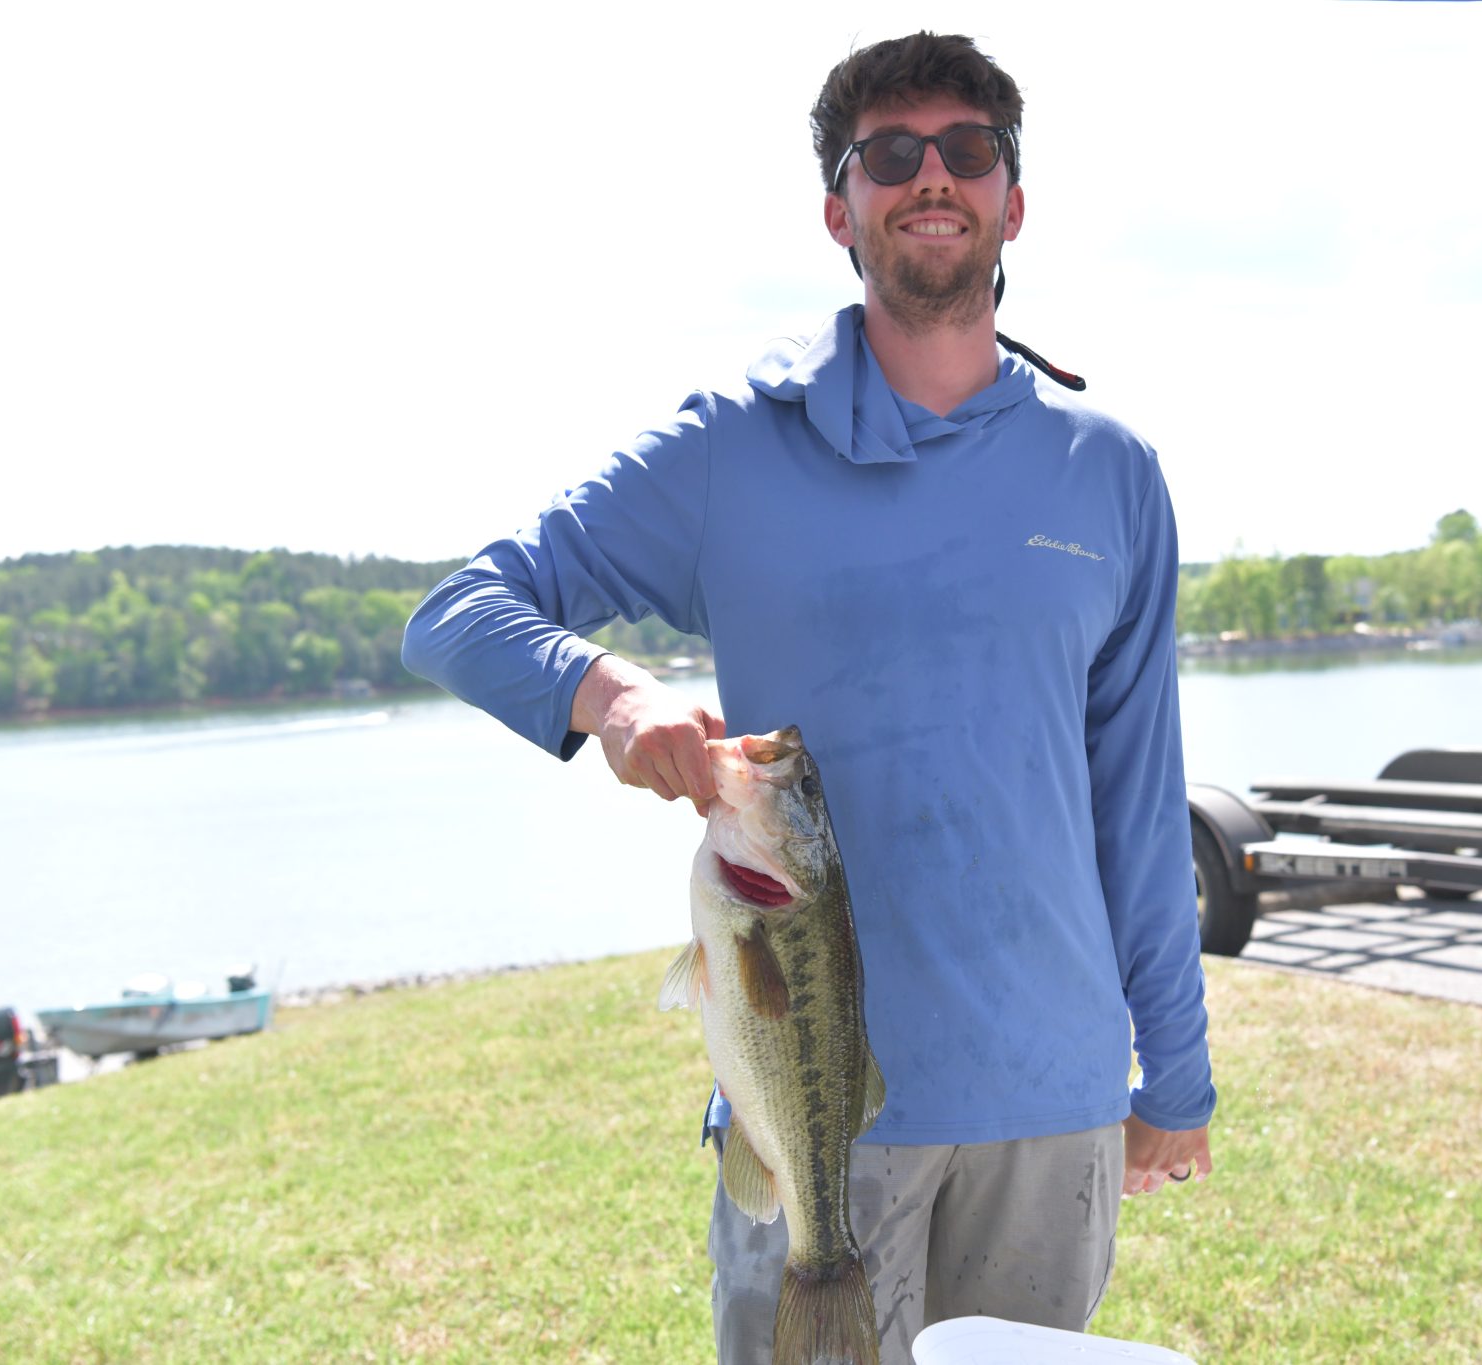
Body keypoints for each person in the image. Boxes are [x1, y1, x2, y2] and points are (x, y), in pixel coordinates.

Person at [401, 31, 1214, 1361]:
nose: (932, 176)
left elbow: (1136, 800)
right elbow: (459, 616)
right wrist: (603, 696)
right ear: (840, 210)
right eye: (890, 156)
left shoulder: (1111, 474)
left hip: (1054, 1102)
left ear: (1016, 199)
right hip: (822, 1117)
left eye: (970, 151)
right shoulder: (727, 445)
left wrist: (1172, 1074)